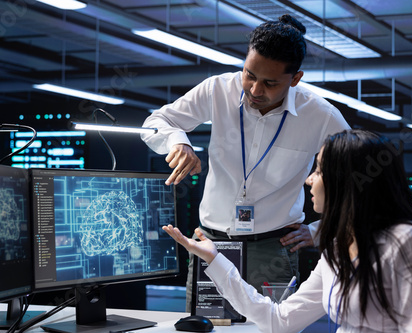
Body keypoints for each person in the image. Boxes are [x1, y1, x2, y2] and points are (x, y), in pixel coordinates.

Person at [163, 129, 412, 333]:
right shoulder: (337, 248)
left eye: (319, 171)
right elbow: (279, 320)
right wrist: (216, 261)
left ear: (346, 181)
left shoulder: (408, 242)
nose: (310, 180)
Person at [141, 14, 349, 304]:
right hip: (212, 244)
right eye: (249, 74)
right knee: (206, 327)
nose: (254, 90)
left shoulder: (321, 116)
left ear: (296, 79)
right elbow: (155, 122)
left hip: (273, 248)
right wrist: (178, 141)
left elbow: (359, 179)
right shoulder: (217, 90)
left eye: (270, 83)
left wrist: (320, 230)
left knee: (272, 327)